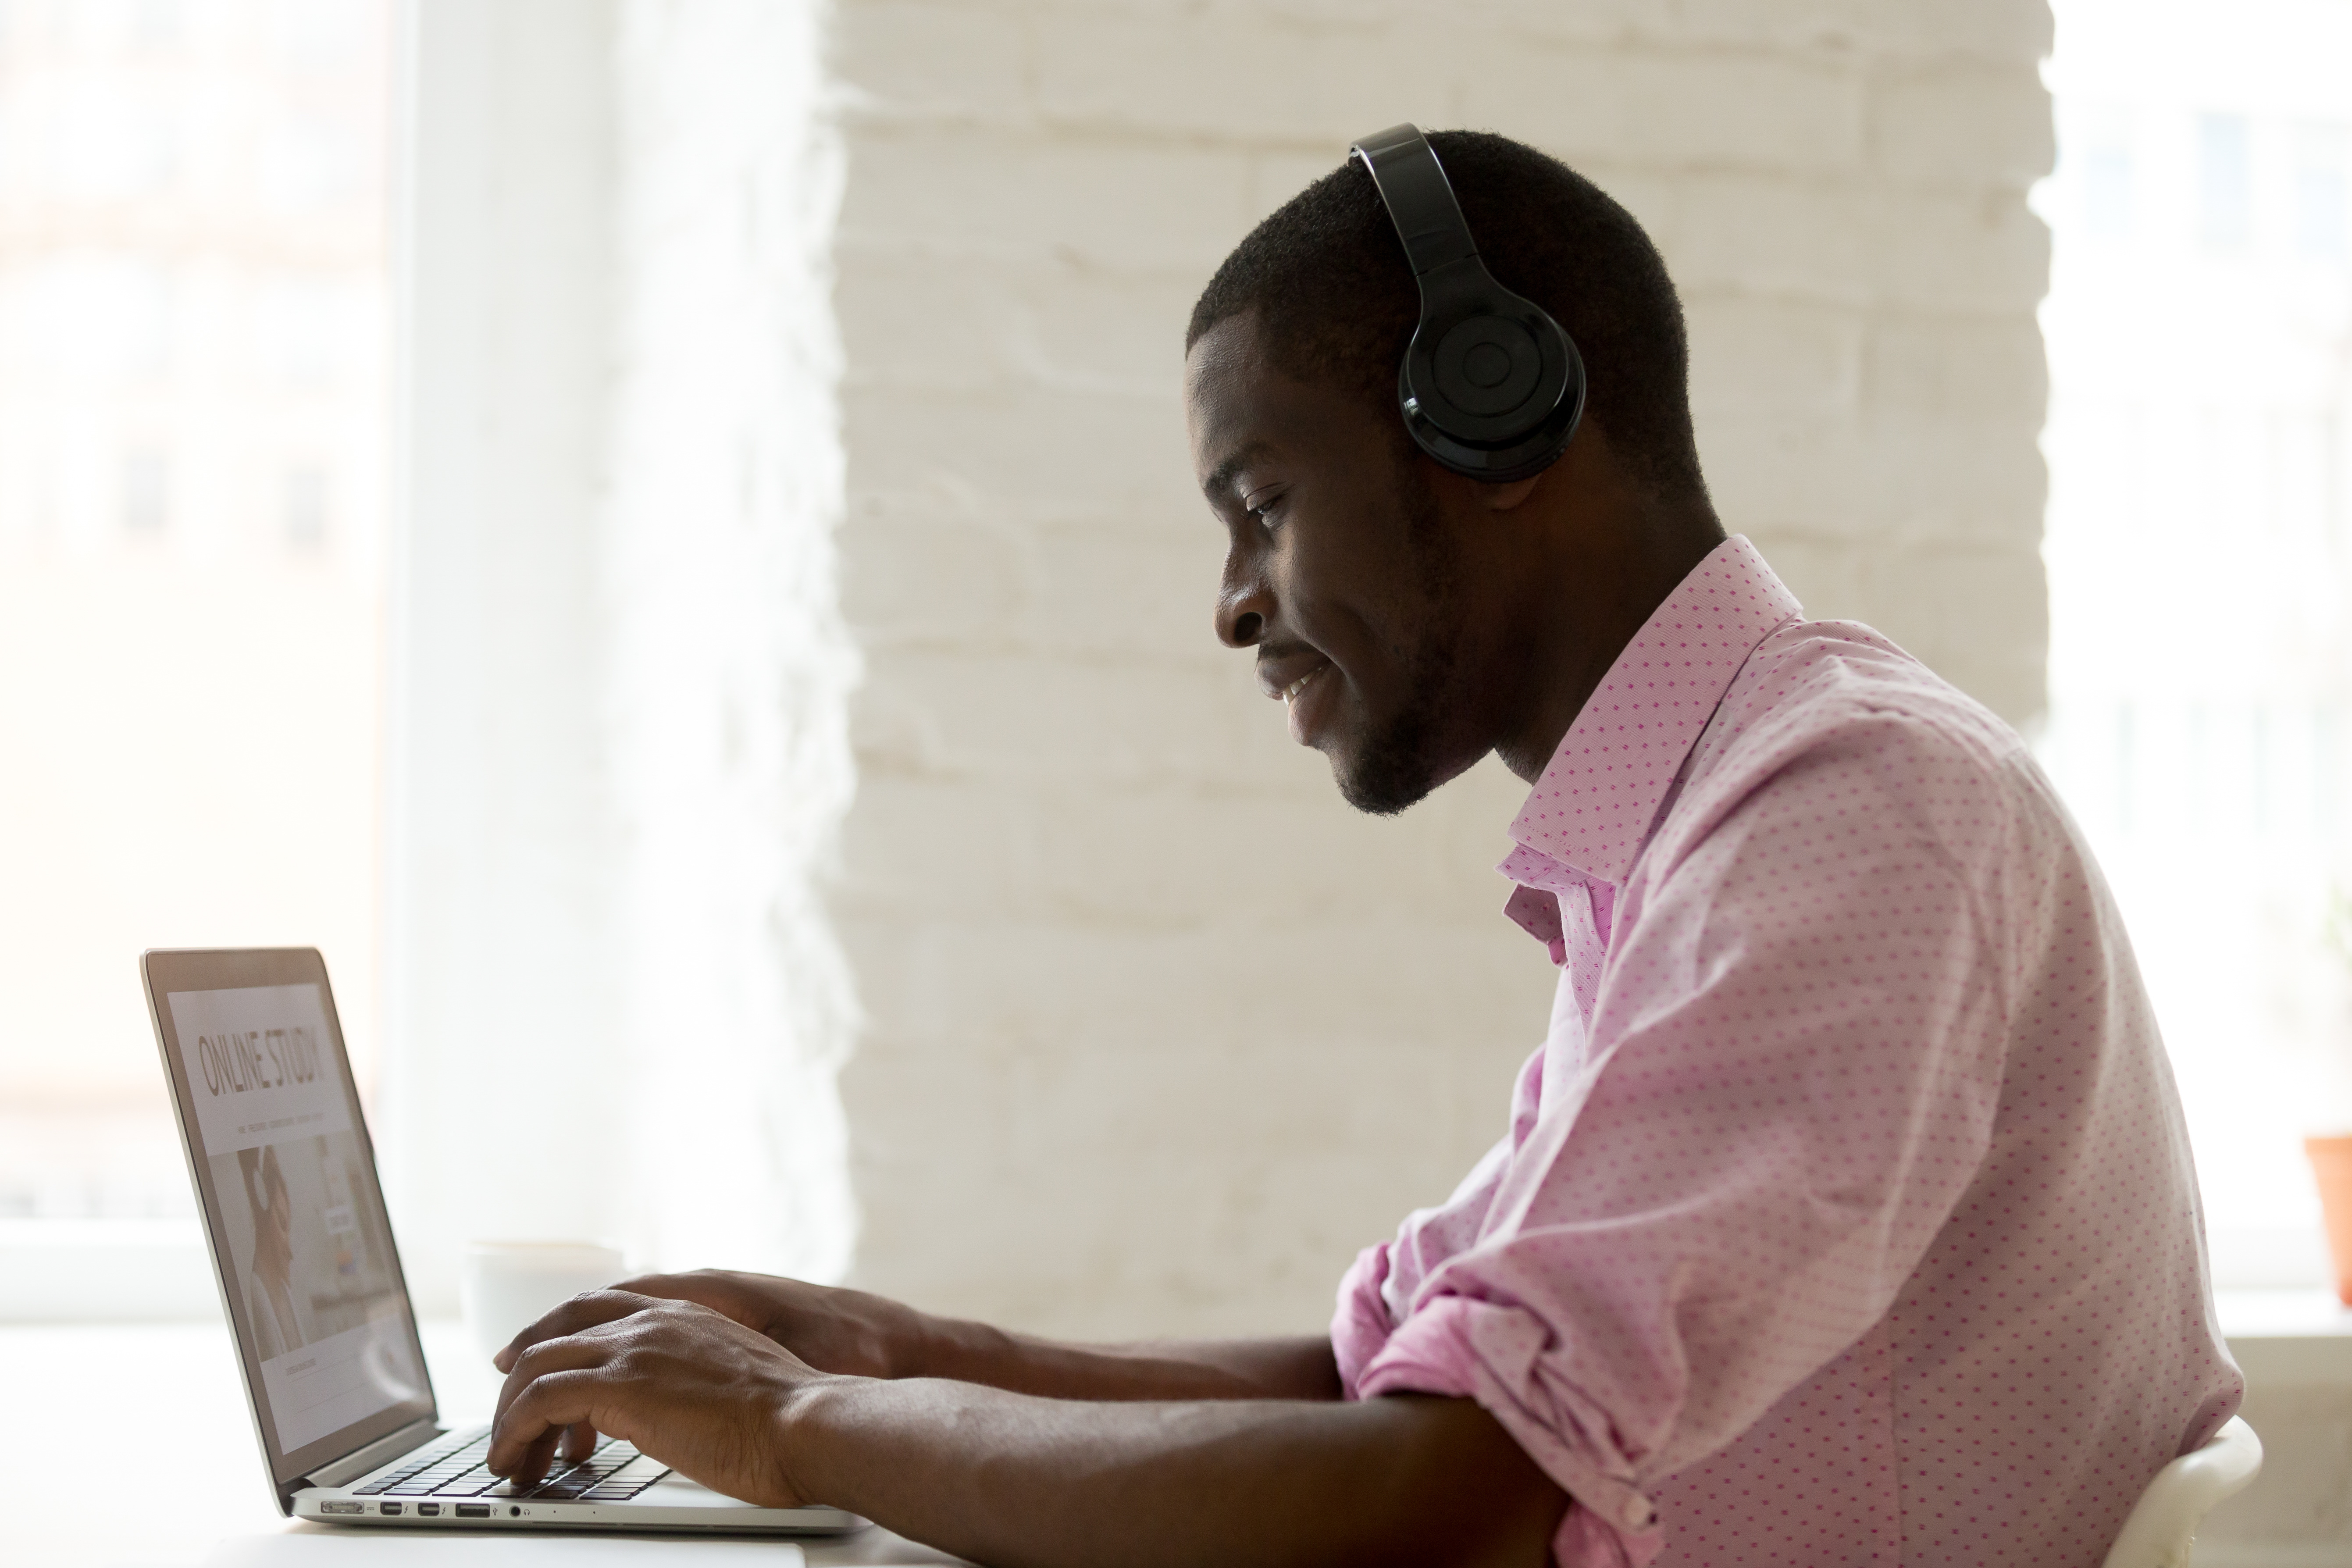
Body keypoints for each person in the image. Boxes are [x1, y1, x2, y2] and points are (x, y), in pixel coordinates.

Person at [486, 130, 2242, 1567]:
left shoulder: (1853, 817)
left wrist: (802, 1433)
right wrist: (895, 1353)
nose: (1236, 606)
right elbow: (1380, 1389)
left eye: (1260, 502)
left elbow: (1448, 1493)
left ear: (1499, 417)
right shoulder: (1710, 828)